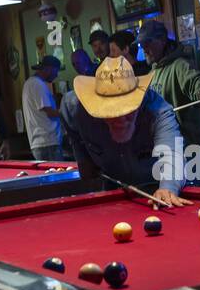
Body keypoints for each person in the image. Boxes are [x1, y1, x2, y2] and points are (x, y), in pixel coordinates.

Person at [60, 55, 190, 208]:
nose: (120, 119)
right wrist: (82, 157)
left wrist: (168, 187)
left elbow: (172, 154)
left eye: (127, 109)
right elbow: (68, 119)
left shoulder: (158, 111)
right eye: (111, 111)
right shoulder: (75, 108)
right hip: (111, 191)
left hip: (155, 189)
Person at [137, 20, 200, 153]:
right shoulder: (151, 73)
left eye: (148, 43)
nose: (145, 49)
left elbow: (196, 81)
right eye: (142, 44)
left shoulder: (180, 65)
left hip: (190, 152)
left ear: (163, 40)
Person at [23, 55, 64, 161]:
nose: (56, 75)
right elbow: (49, 112)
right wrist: (67, 111)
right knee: (57, 177)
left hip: (40, 143)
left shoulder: (30, 83)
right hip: (47, 142)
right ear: (50, 69)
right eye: (56, 71)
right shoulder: (37, 84)